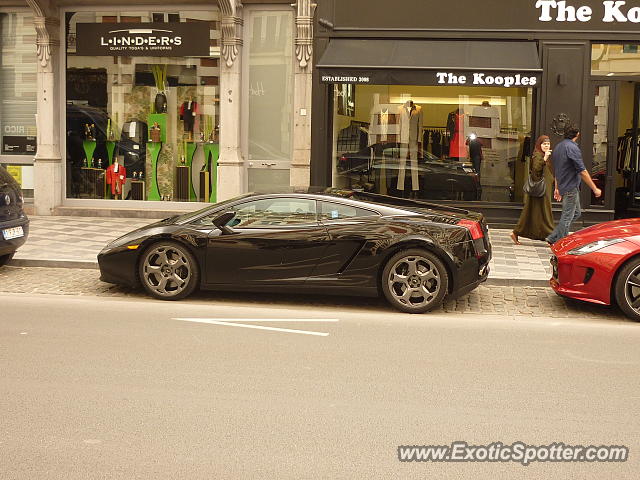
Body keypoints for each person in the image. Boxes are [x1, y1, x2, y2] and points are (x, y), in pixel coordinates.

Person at [545, 126, 601, 245]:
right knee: (567, 216)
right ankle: (561, 243)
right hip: (570, 186)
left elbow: (557, 170)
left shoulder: (559, 147)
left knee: (576, 213)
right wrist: (594, 188)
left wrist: (557, 187)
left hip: (564, 185)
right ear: (578, 134)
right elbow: (582, 171)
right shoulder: (572, 148)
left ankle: (553, 237)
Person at [511, 135, 555, 244]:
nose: (546, 146)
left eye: (548, 144)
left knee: (532, 213)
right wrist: (544, 159)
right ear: (539, 145)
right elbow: (536, 169)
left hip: (543, 190)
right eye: (544, 144)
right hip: (541, 190)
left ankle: (516, 232)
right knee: (545, 212)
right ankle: (552, 237)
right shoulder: (538, 155)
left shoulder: (542, 155)